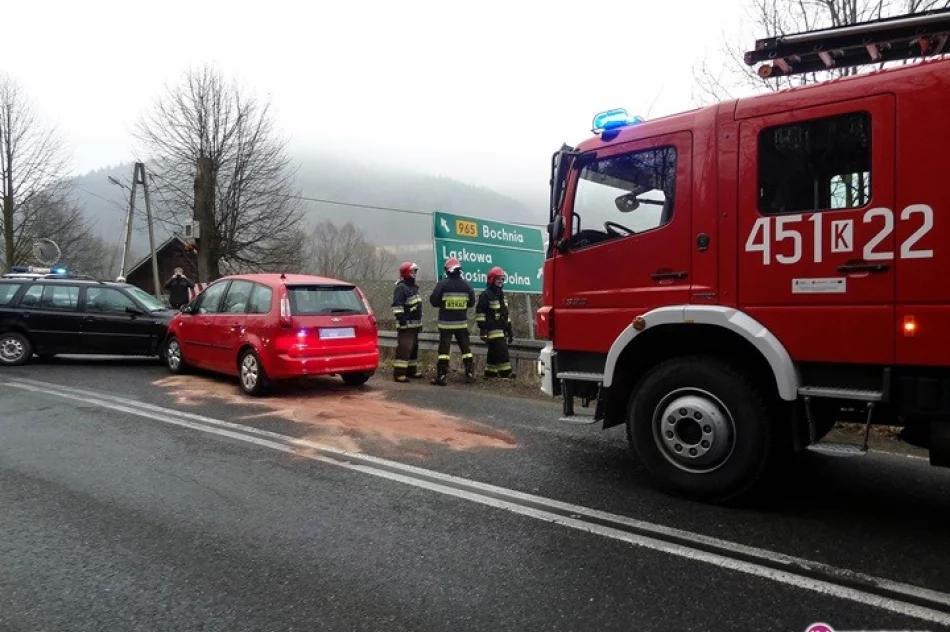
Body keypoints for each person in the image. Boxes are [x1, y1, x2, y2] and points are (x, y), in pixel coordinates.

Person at [428, 257, 475, 386]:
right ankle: (470, 374)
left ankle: (442, 376)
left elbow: (433, 301)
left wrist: (444, 304)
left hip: (446, 324)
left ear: (447, 271)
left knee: (444, 351)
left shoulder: (442, 284)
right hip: (462, 324)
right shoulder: (466, 285)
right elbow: (471, 303)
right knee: (466, 349)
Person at [475, 266, 514, 379]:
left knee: (493, 351)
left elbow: (506, 314)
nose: (501, 282)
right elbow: (480, 313)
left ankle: (490, 373)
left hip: (502, 329)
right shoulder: (485, 295)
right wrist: (483, 330)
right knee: (502, 351)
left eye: (502, 279)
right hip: (491, 329)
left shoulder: (502, 295)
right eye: (498, 279)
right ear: (491, 279)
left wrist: (509, 329)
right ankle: (506, 374)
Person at [391, 261, 424, 382]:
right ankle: (399, 374)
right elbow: (397, 306)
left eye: (415, 271)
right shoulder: (401, 288)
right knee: (404, 349)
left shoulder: (413, 287)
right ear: (406, 273)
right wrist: (402, 320)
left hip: (415, 325)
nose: (414, 274)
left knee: (413, 349)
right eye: (412, 271)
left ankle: (411, 371)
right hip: (406, 326)